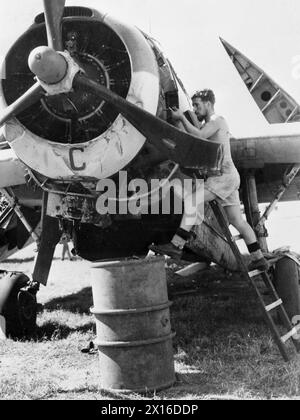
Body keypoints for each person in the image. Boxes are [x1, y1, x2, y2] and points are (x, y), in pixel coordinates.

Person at [151, 89, 269, 272]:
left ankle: (176, 245)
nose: (195, 109)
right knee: (237, 220)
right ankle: (259, 258)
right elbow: (193, 137)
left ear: (208, 103)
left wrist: (182, 118)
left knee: (191, 200)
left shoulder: (217, 121)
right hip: (228, 177)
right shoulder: (209, 124)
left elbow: (198, 136)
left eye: (197, 105)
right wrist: (178, 120)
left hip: (223, 177)